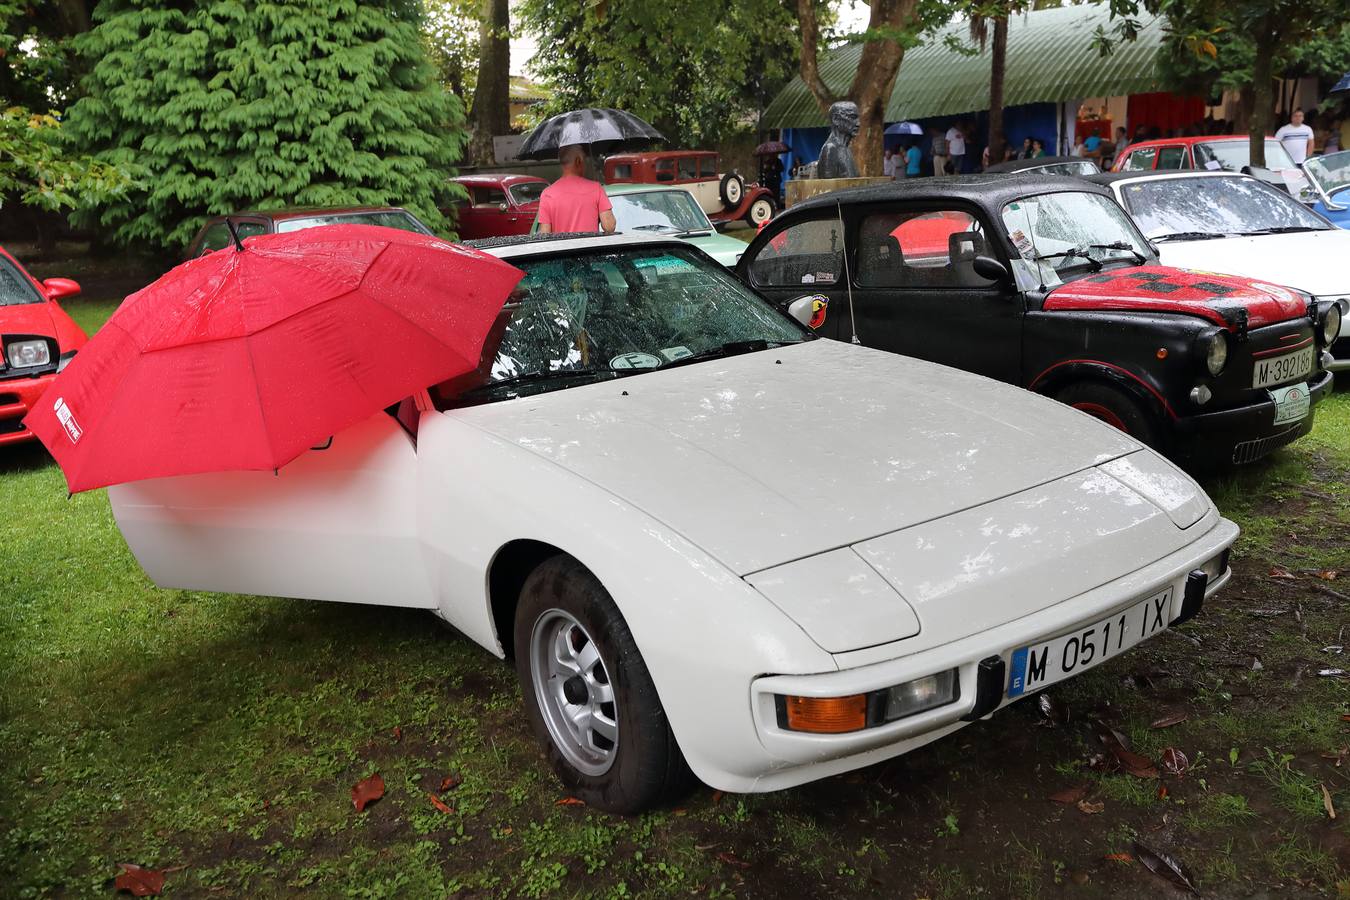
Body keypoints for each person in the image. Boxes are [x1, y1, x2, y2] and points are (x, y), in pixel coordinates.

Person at [537, 144, 615, 234]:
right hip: (589, 247)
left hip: (563, 248)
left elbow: (545, 234)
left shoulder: (547, 194)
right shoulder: (596, 188)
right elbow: (609, 227)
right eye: (585, 159)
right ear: (578, 161)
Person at [818, 101, 861, 178]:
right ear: (836, 119)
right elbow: (827, 187)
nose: (858, 124)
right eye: (852, 117)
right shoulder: (830, 149)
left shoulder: (846, 149)